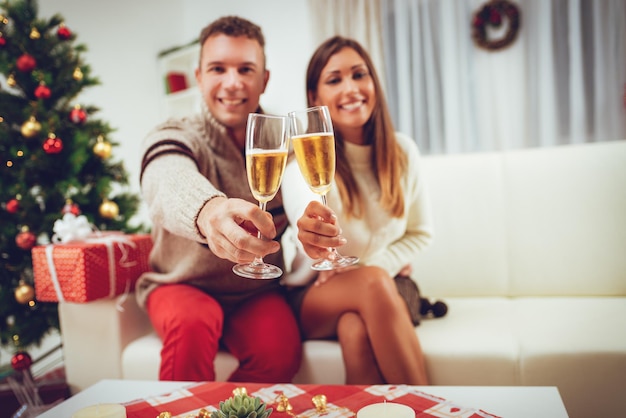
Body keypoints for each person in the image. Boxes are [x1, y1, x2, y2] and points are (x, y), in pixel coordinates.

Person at [136, 16, 301, 382]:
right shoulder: (176, 131)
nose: (232, 82)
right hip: (182, 283)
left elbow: (309, 195)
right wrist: (209, 210)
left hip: (256, 290)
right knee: (192, 325)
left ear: (264, 79)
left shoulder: (287, 139)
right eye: (217, 69)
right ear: (198, 77)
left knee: (281, 351)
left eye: (246, 69)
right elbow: (164, 175)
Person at [281, 36, 433, 385]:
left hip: (387, 283)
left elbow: (421, 234)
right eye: (334, 80)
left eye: (359, 75)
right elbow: (307, 216)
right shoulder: (304, 163)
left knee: (355, 327)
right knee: (374, 284)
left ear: (373, 83)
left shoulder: (403, 152)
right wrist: (313, 233)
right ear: (314, 98)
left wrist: (371, 266)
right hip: (315, 294)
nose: (350, 88)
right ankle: (429, 408)